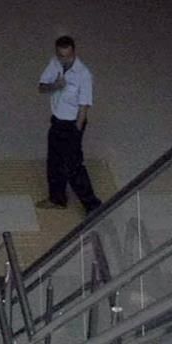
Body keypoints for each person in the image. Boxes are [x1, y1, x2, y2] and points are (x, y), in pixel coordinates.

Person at [37, 35, 101, 213]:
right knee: (54, 162)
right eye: (60, 55)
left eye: (67, 55)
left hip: (72, 124)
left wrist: (76, 132)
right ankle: (57, 198)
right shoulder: (54, 64)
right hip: (57, 121)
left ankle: (92, 205)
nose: (64, 59)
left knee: (74, 166)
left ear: (74, 53)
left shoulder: (83, 75)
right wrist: (55, 86)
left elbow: (84, 106)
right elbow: (41, 87)